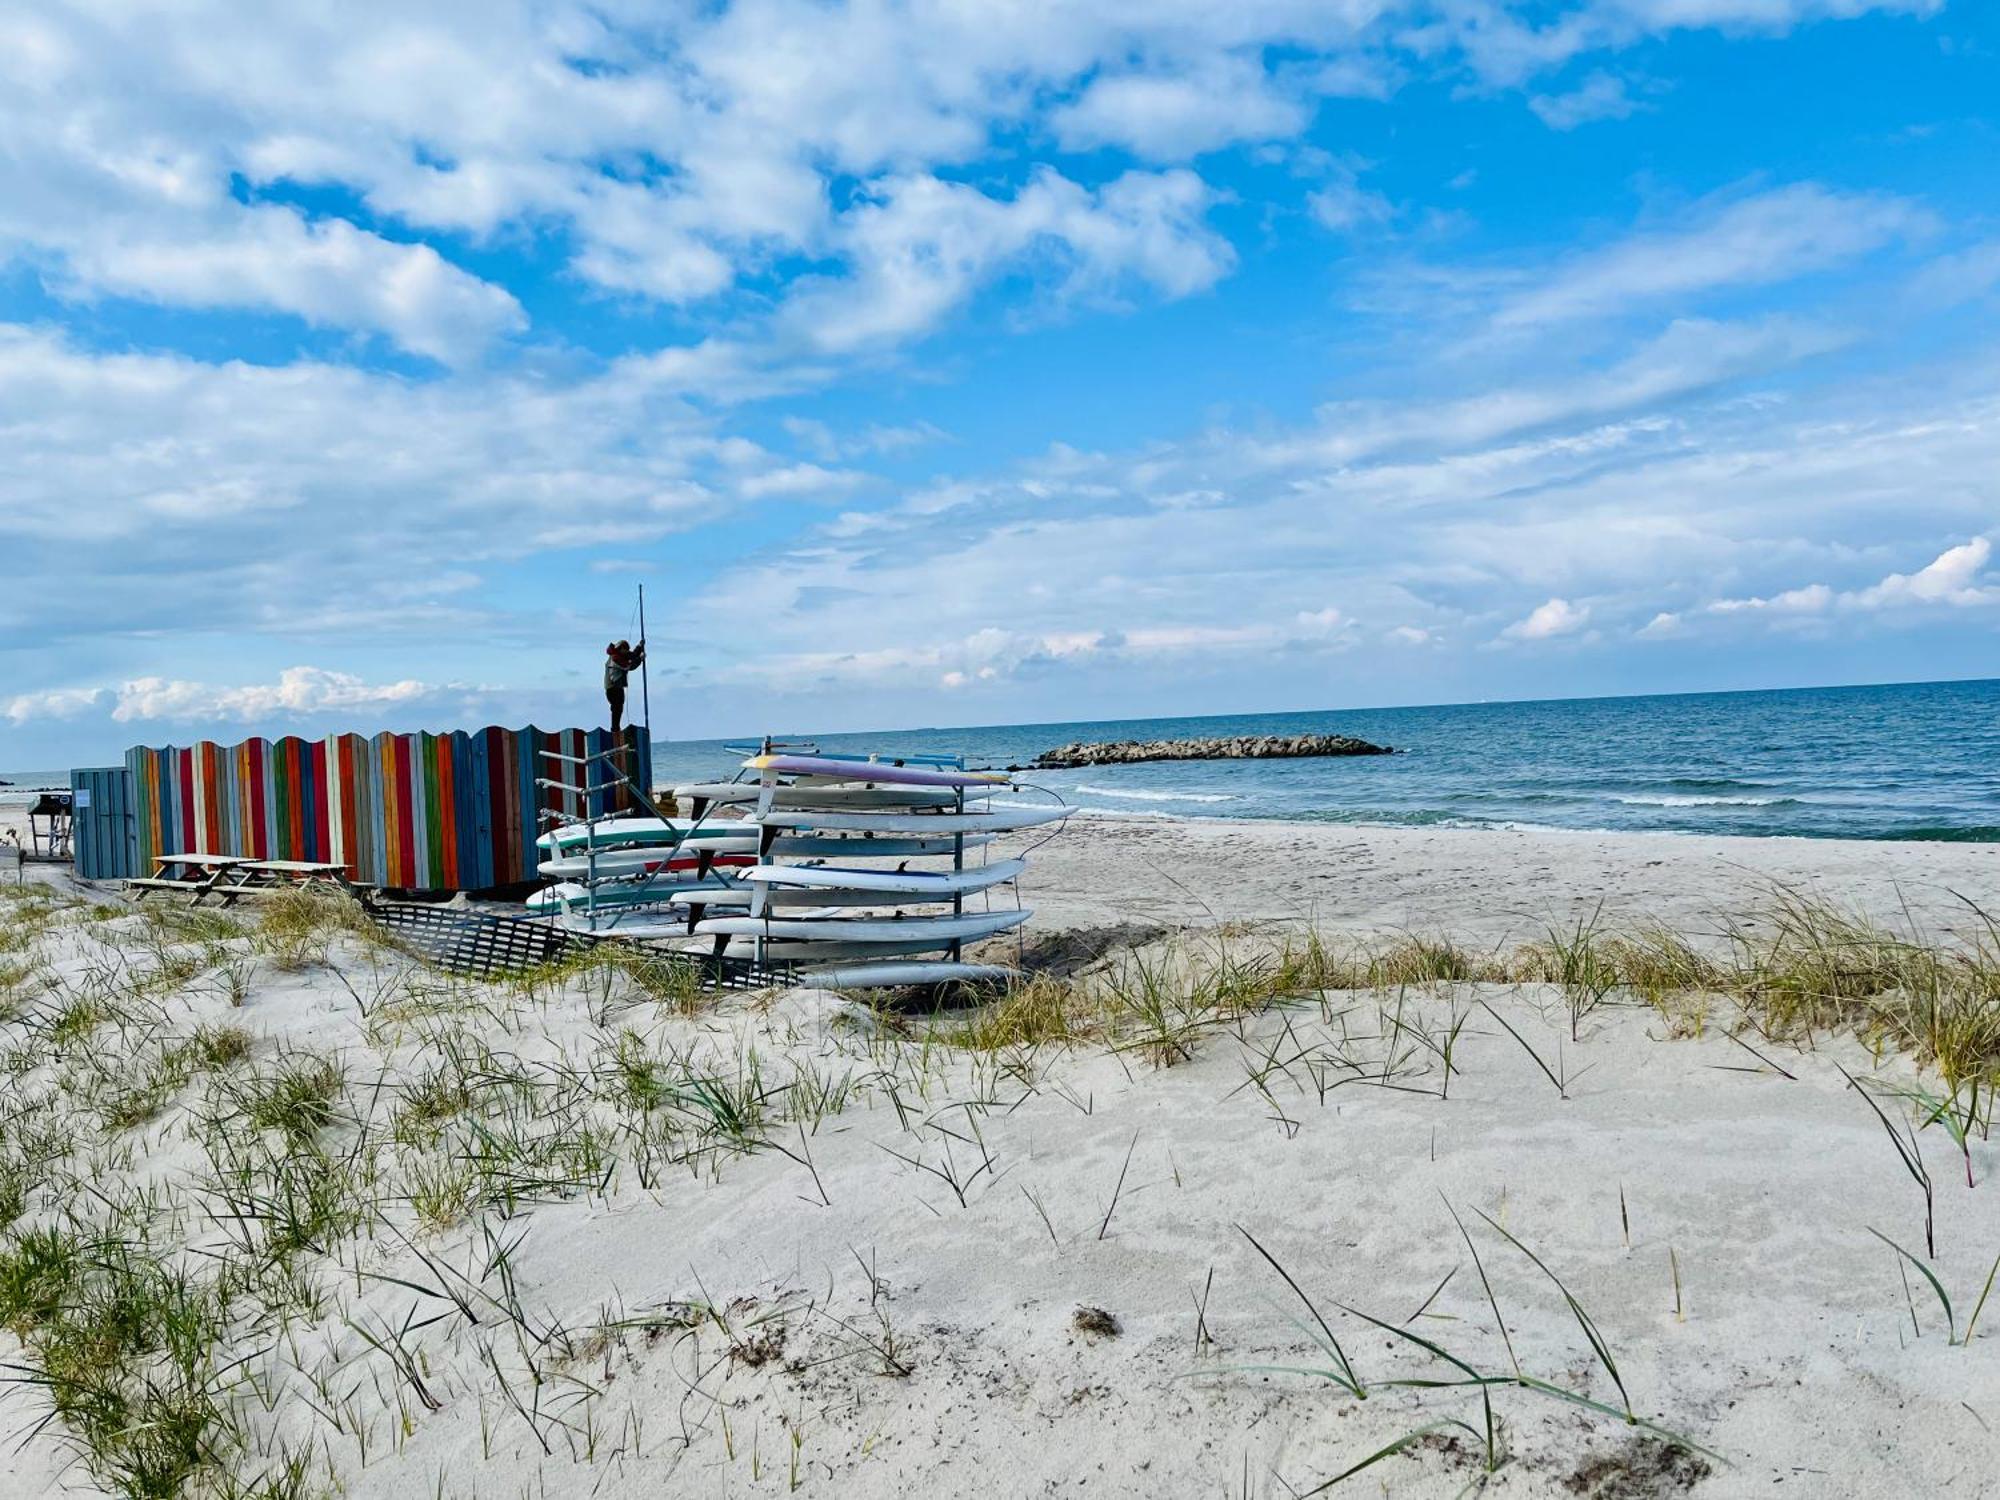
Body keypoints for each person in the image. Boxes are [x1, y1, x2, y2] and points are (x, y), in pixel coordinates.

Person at [604, 638, 644, 733]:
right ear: (621, 649)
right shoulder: (615, 658)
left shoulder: (621, 654)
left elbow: (632, 656)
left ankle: (616, 728)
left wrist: (639, 646)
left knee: (619, 707)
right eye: (626, 650)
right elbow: (628, 666)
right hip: (612, 688)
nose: (627, 653)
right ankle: (615, 729)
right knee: (616, 708)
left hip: (618, 687)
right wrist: (640, 659)